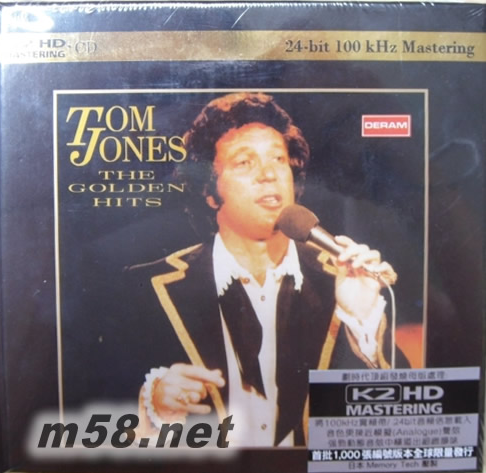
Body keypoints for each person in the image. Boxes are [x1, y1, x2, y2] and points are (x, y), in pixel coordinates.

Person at [131, 92, 400, 447]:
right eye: (245, 162)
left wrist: (361, 324)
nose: (269, 175)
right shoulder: (143, 288)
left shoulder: (345, 280)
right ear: (209, 191)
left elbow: (395, 425)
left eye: (278, 159)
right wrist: (155, 408)